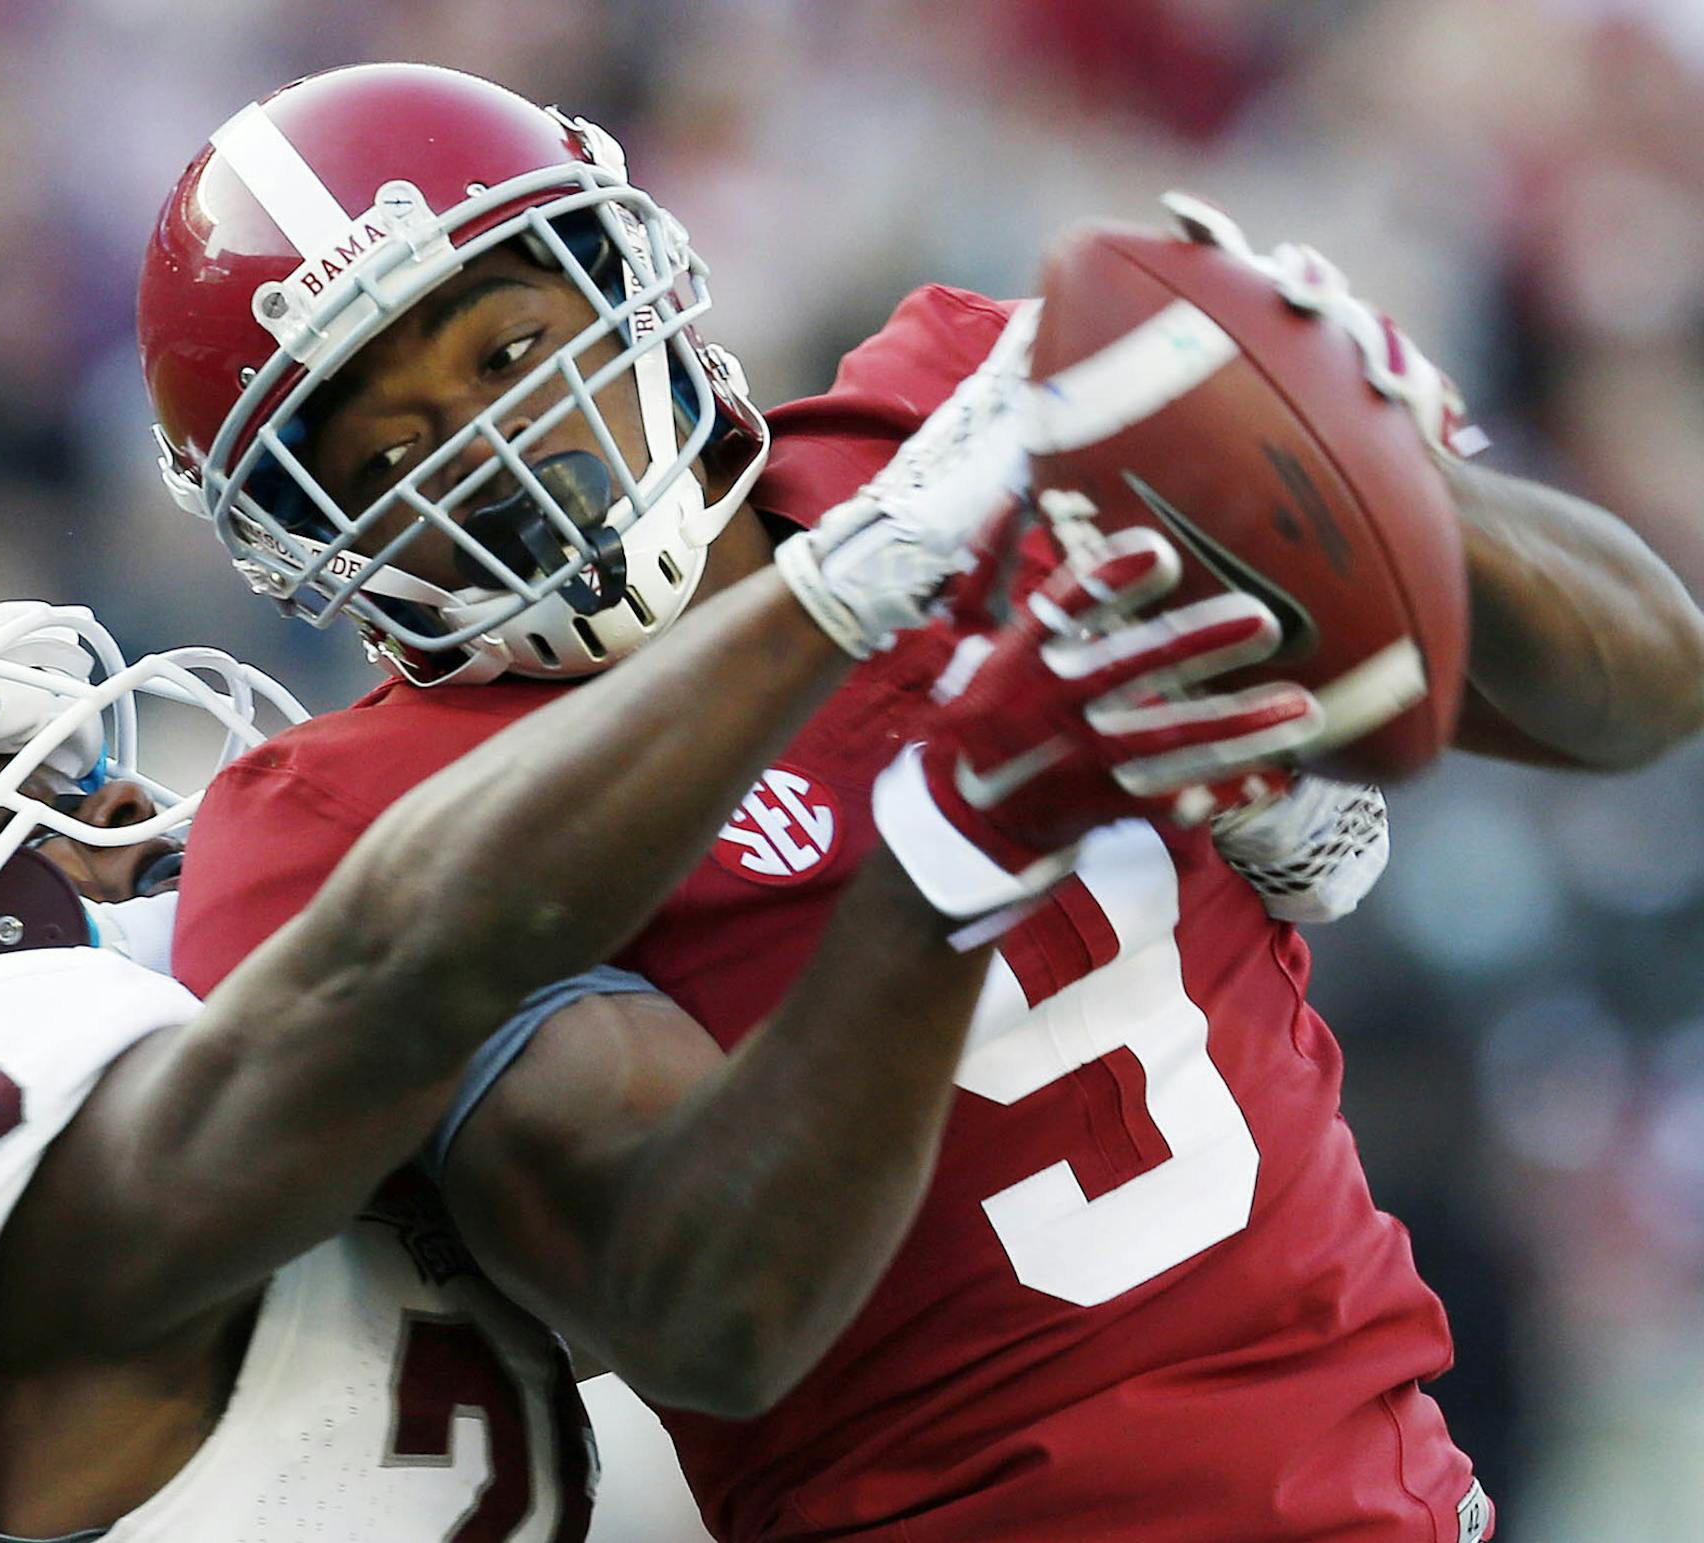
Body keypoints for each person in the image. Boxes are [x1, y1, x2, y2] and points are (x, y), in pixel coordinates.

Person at [147, 64, 1704, 1542]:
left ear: (632, 283)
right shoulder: (352, 824)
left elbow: (1642, 682)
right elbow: (716, 1311)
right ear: (296, 526)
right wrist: (962, 839)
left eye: (506, 355)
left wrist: (1322, 437)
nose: (497, 456)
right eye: (391, 448)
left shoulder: (966, 407)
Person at [0, 406, 1309, 1543]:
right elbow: (385, 975)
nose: (140, 807)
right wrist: (827, 610)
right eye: (51, 797)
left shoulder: (279, 1115)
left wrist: (1149, 842)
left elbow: (735, 1262)